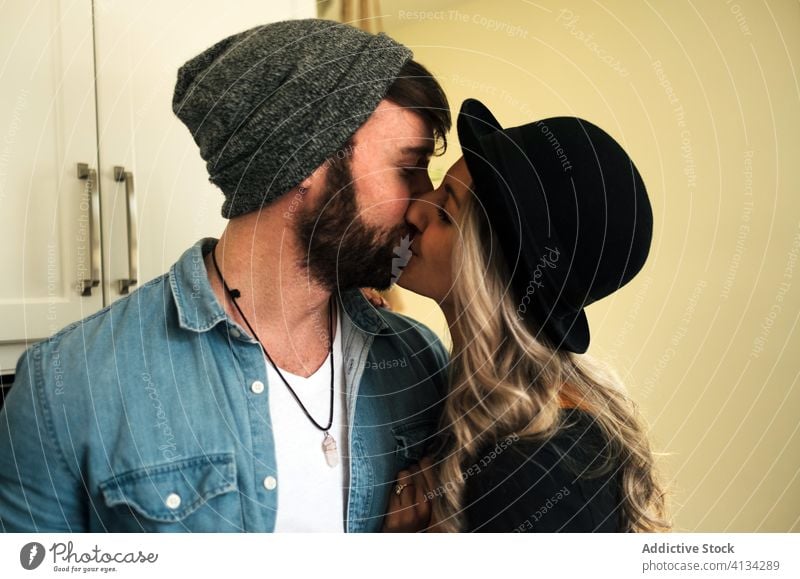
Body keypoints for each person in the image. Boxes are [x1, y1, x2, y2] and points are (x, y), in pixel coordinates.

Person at [0, 19, 452, 532]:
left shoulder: (417, 362)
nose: (425, 201)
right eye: (408, 167)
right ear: (305, 159)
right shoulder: (68, 385)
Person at [381, 99, 670, 533]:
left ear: (492, 267)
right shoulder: (487, 411)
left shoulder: (534, 465)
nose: (415, 210)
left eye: (445, 212)